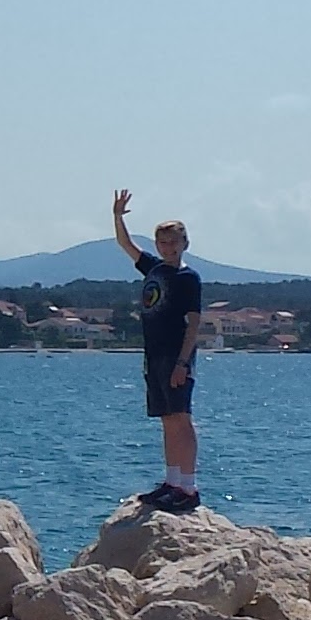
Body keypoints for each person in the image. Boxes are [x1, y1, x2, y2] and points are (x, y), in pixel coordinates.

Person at [112, 188, 203, 510]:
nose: (168, 248)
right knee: (166, 418)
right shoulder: (154, 269)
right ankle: (172, 481)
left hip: (177, 356)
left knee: (182, 418)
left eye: (173, 242)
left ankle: (189, 488)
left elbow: (194, 323)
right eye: (162, 243)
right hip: (154, 355)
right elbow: (125, 245)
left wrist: (183, 362)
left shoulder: (187, 278)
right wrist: (118, 217)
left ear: (184, 244)